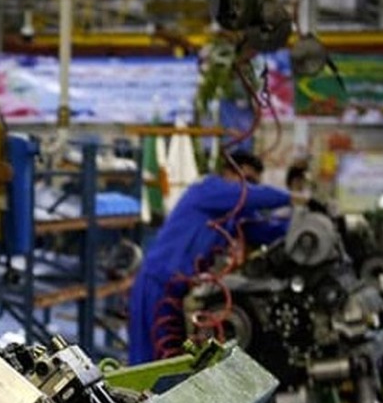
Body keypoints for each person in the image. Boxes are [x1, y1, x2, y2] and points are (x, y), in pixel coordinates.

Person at [128, 150, 304, 364]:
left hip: (182, 291)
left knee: (173, 360)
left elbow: (264, 231)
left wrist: (303, 225)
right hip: (157, 284)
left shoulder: (234, 213)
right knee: (148, 360)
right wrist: (294, 198)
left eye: (254, 183)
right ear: (228, 172)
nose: (248, 187)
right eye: (246, 180)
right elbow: (247, 195)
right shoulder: (207, 189)